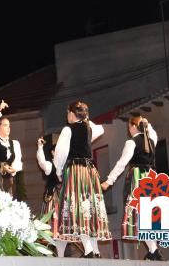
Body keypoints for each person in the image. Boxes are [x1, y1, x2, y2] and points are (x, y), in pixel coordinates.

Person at [53, 101, 111, 258]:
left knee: (78, 208)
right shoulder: (89, 128)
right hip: (90, 171)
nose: (67, 116)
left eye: (68, 113)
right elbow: (101, 128)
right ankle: (95, 250)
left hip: (76, 170)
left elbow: (60, 153)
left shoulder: (68, 129)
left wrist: (58, 170)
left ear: (72, 114)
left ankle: (89, 250)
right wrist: (86, 119)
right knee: (90, 208)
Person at [101, 116, 162, 261]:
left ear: (134, 127)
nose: (129, 129)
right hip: (152, 179)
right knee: (147, 215)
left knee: (139, 215)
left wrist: (109, 181)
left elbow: (121, 164)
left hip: (139, 179)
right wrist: (146, 123)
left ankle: (154, 251)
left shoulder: (131, 142)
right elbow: (151, 131)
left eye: (129, 126)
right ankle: (154, 251)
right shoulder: (152, 140)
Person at [36, 137, 66, 257]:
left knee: (63, 228)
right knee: (53, 226)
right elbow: (41, 162)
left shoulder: (65, 165)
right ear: (53, 152)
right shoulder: (50, 165)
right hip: (54, 197)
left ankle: (61, 256)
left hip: (65, 198)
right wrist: (39, 147)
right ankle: (55, 256)